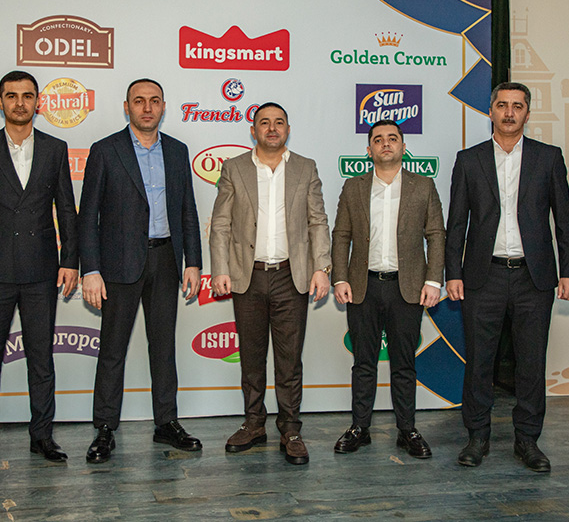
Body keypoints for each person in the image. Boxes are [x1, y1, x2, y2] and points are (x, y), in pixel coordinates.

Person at [445, 82, 569, 472]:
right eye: (502, 105)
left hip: (533, 277)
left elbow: (565, 219)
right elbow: (457, 223)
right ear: (490, 111)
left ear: (527, 113)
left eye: (517, 106)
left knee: (531, 363)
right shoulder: (469, 160)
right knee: (479, 362)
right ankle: (477, 437)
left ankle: (528, 441)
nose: (509, 112)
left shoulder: (548, 158)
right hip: (482, 276)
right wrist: (453, 273)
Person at [0, 70, 78, 469]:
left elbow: (67, 210)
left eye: (27, 96)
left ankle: (42, 436)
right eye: (12, 95)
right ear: (1, 102)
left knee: (41, 359)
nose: (19, 102)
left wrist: (70, 260)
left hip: (41, 271)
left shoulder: (55, 148)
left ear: (38, 102)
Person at [78, 78, 202, 463]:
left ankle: (166, 422)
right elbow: (88, 217)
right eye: (139, 101)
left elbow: (188, 210)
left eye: (154, 101)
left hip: (166, 260)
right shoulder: (105, 150)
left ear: (163, 106)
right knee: (112, 349)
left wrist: (193, 261)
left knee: (163, 348)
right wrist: (90, 269)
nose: (147, 108)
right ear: (126, 107)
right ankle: (104, 428)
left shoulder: (178, 151)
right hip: (118, 263)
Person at [209, 102, 331, 465]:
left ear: (288, 129)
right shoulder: (234, 168)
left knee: (289, 359)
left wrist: (322, 267)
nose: (272, 128)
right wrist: (220, 269)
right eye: (265, 122)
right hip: (248, 276)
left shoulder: (306, 167)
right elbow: (221, 223)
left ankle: (290, 428)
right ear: (254, 130)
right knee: (251, 357)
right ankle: (253, 423)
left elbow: (318, 221)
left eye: (279, 122)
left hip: (291, 277)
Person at [330, 119, 445, 459]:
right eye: (378, 139)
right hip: (363, 286)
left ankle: (407, 429)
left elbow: (435, 234)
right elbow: (341, 235)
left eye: (392, 138)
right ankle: (359, 427)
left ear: (403, 147)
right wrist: (340, 277)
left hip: (406, 288)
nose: (385, 144)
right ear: (369, 150)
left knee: (404, 364)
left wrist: (433, 280)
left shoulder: (423, 186)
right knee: (363, 362)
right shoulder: (353, 187)